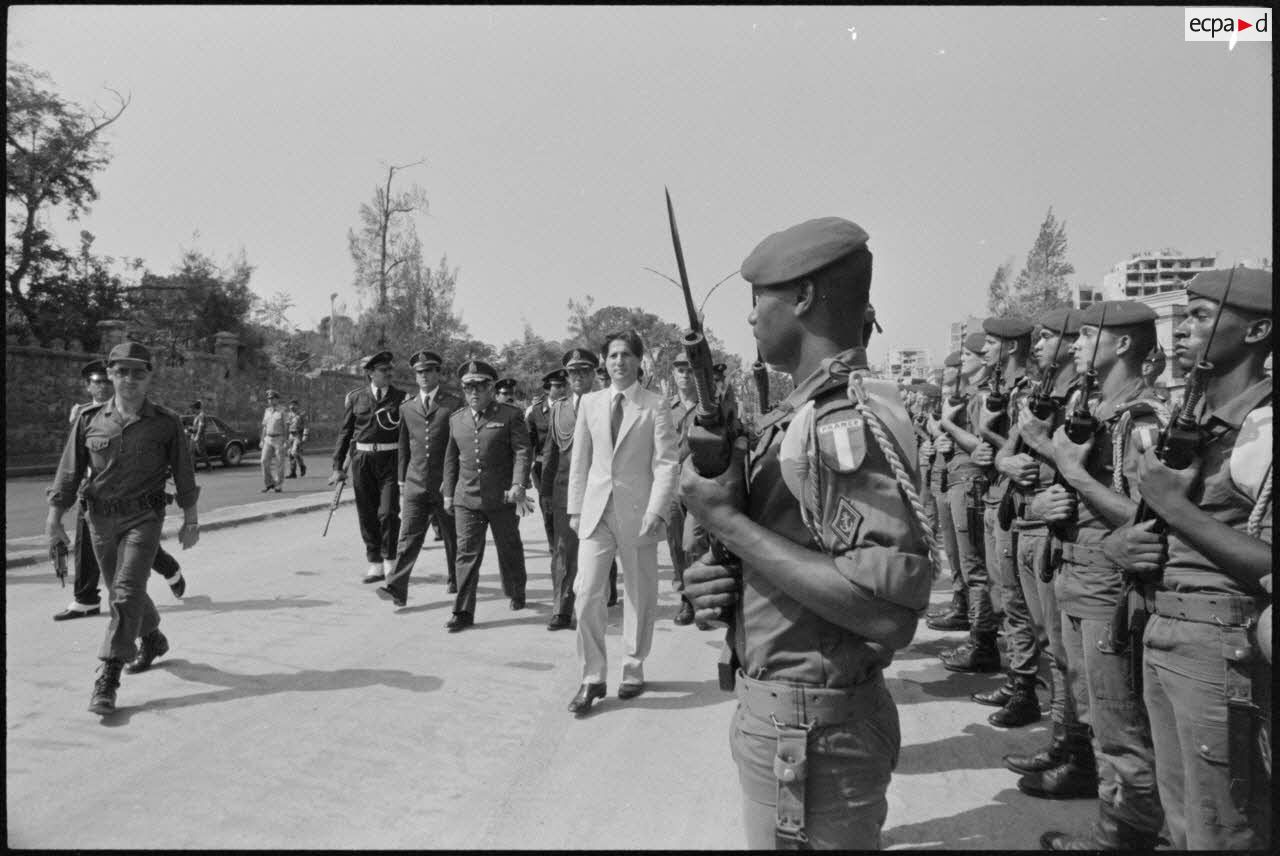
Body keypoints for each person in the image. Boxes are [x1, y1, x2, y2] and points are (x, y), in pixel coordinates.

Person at [680, 217, 933, 849]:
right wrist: (718, 576)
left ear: (804, 298)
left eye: (758, 300)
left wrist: (728, 524)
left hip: (810, 733)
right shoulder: (802, 416)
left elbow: (885, 612)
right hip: (789, 716)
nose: (750, 319)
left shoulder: (839, 425)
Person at [1103, 267, 1272, 850]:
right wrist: (1119, 544)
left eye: (1201, 316)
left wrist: (1176, 508)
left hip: (1222, 642)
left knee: (1222, 829)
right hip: (1168, 628)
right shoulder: (1198, 421)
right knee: (1181, 823)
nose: (1183, 330)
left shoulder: (1264, 428)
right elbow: (1152, 524)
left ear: (1256, 332)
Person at [1038, 300, 1168, 850]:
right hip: (1077, 570)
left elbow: (1154, 517)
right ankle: (1114, 824)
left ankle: (1125, 835)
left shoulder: (1141, 418)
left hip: (1108, 585)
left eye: (1090, 333)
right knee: (1095, 712)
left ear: (1121, 346)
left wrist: (1072, 474)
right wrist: (1052, 495)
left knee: (1119, 724)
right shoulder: (1095, 407)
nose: (1076, 343)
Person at [46, 341, 200, 716]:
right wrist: (54, 519)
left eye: (138, 372)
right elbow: (68, 473)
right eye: (121, 371)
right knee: (119, 589)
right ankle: (153, 638)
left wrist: (191, 519)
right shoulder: (88, 419)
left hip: (143, 520)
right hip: (98, 520)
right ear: (111, 375)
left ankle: (109, 674)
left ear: (149, 377)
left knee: (127, 590)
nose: (129, 379)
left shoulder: (165, 423)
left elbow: (184, 474)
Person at [993, 308, 1098, 798]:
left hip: (1063, 532)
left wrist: (1038, 448)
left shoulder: (1085, 400)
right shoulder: (1046, 393)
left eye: (1055, 336)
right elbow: (1008, 452)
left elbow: (1085, 474)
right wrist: (1009, 457)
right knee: (1051, 644)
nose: (1043, 342)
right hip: (1031, 520)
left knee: (1065, 653)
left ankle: (1077, 752)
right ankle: (1064, 743)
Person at [564, 329, 679, 714]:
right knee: (586, 594)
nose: (619, 362)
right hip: (596, 513)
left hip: (638, 514)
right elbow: (579, 461)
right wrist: (575, 509)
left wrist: (657, 509)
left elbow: (666, 464)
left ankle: (633, 664)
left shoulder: (654, 405)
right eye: (613, 355)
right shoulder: (591, 404)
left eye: (627, 355)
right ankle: (592, 677)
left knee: (639, 593)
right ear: (604, 361)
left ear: (638, 361)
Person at [54, 358, 187, 621]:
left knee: (138, 552)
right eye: (96, 382)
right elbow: (74, 460)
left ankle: (169, 569)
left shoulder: (138, 411)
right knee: (86, 545)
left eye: (105, 381)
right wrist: (56, 511)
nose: (102, 386)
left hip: (132, 500)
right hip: (92, 494)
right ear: (87, 386)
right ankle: (86, 598)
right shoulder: (83, 415)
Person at [971, 316, 1043, 727]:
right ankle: (1019, 681)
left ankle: (1025, 690)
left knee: (1017, 601)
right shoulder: (1006, 391)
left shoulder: (1028, 391)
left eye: (992, 343)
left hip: (1020, 502)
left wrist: (991, 443)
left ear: (1012, 347)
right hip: (1003, 496)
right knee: (1007, 596)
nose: (985, 350)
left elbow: (1022, 450)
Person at [440, 360, 532, 631]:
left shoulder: (509, 415)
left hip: (502, 498)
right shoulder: (456, 419)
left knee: (509, 547)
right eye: (468, 387)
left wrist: (519, 484)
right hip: (466, 498)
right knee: (466, 554)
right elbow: (450, 459)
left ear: (491, 387)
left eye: (480, 386)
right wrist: (448, 493)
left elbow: (522, 452)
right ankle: (463, 611)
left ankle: (516, 590)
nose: (474, 392)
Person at [935, 330, 1002, 672]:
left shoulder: (984, 396)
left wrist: (946, 422)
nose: (962, 362)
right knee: (969, 565)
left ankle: (983, 642)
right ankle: (979, 635)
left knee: (976, 568)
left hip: (972, 481)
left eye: (968, 356)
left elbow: (979, 445)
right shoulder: (970, 394)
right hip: (961, 480)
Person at [377, 350, 463, 607]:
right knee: (408, 537)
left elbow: (461, 444)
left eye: (429, 371)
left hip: (445, 483)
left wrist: (457, 479)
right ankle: (396, 588)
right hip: (415, 482)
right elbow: (403, 445)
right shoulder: (407, 406)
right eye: (419, 372)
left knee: (451, 535)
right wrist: (402, 479)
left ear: (438, 374)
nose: (424, 376)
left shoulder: (453, 404)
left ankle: (456, 578)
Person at [329, 351, 407, 584]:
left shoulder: (402, 398)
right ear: (371, 373)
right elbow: (345, 433)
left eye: (390, 370)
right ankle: (374, 563)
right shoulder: (355, 398)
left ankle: (390, 560)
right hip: (362, 460)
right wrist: (337, 466)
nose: (389, 374)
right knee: (367, 513)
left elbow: (407, 435)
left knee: (388, 512)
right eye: (384, 370)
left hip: (390, 459)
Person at [541, 349, 598, 630]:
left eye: (584, 372)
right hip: (565, 491)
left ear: (593, 375)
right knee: (564, 551)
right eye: (574, 372)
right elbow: (550, 453)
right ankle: (562, 610)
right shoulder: (559, 408)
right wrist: (545, 493)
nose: (578, 377)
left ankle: (595, 602)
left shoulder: (607, 403)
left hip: (599, 490)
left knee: (598, 552)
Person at [923, 352, 969, 631]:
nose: (947, 374)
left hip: (961, 480)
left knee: (966, 556)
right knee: (953, 552)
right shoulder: (949, 403)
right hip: (943, 477)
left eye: (953, 369)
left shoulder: (969, 402)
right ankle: (960, 601)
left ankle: (970, 610)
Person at [667, 354, 700, 626]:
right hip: (672, 483)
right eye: (680, 370)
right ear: (674, 374)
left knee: (697, 542)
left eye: (690, 370)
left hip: (702, 483)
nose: (685, 375)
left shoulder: (708, 406)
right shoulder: (666, 408)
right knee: (677, 545)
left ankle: (704, 595)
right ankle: (687, 600)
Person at [528, 369, 566, 548]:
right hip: (543, 469)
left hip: (567, 466)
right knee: (548, 511)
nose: (561, 389)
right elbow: (528, 442)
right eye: (557, 386)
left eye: (563, 385)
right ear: (547, 389)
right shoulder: (536, 412)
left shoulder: (571, 408)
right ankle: (554, 548)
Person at [260, 389, 288, 492]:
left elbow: (286, 427)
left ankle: (278, 484)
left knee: (280, 462)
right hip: (268, 438)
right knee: (264, 461)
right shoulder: (267, 411)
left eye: (272, 399)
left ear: (277, 399)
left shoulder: (283, 411)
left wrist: (286, 440)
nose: (270, 401)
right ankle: (269, 483)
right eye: (269, 399)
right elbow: (264, 426)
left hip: (279, 438)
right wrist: (262, 440)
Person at [285, 399, 308, 478]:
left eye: (294, 405)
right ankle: (293, 472)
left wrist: (305, 435)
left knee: (294, 452)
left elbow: (306, 426)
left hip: (298, 435)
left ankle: (302, 466)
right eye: (290, 405)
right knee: (289, 453)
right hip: (291, 435)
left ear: (297, 406)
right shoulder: (289, 415)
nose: (292, 406)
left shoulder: (302, 414)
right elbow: (286, 426)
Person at [188, 399, 211, 471]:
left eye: (192, 409)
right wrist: (191, 429)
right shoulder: (197, 416)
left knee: (201, 452)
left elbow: (201, 426)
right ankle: (193, 468)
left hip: (199, 437)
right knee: (191, 452)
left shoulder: (201, 415)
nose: (191, 410)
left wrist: (197, 435)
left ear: (196, 408)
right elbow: (196, 426)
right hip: (193, 436)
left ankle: (208, 465)